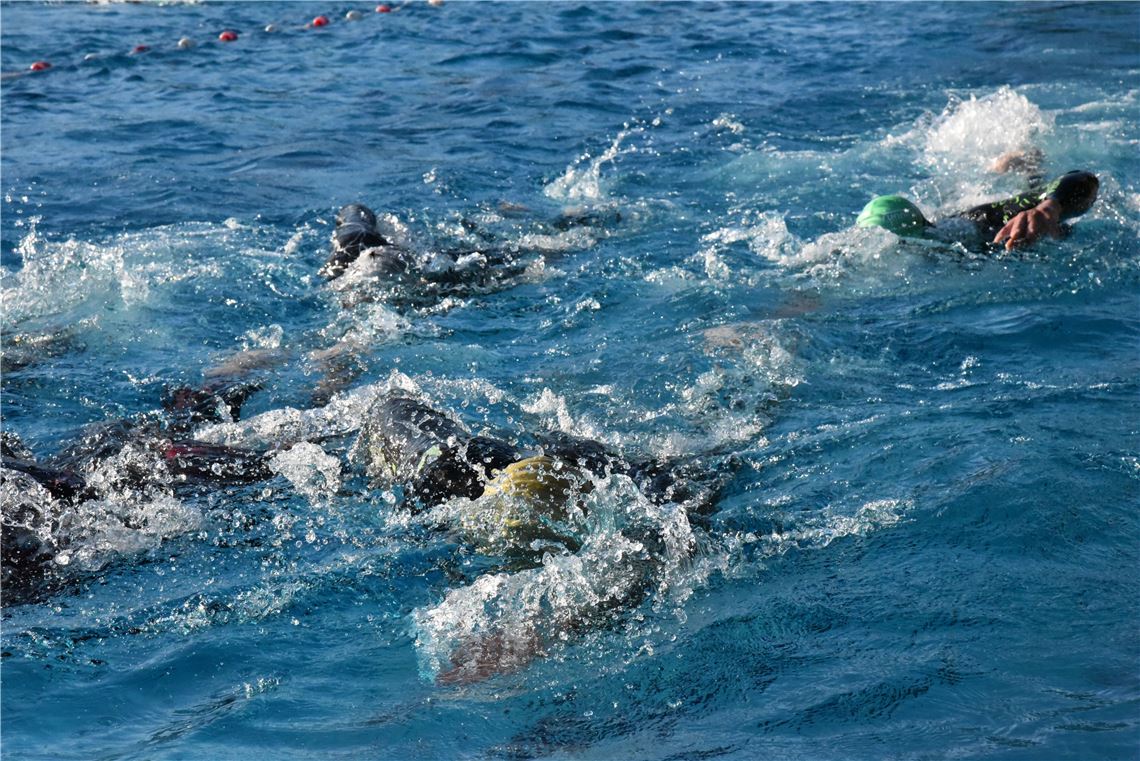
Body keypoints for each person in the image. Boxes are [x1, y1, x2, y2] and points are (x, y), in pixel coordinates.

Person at [855, 168, 1099, 251]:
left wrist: (1049, 208)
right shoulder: (865, 248)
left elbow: (1084, 178)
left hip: (981, 217)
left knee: (1033, 186)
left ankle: (1024, 162)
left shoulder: (995, 222)